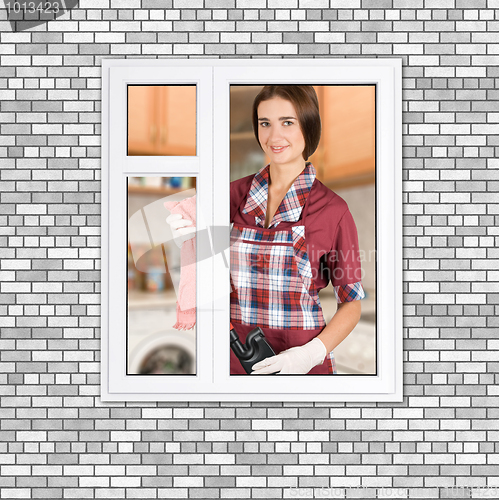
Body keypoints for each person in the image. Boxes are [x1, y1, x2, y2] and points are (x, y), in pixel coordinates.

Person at [229, 85, 365, 375]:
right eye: (265, 123)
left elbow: (351, 303)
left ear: (308, 125)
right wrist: (188, 237)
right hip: (235, 360)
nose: (273, 136)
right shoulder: (232, 195)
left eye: (287, 123)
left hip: (301, 364)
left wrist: (309, 354)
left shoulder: (332, 210)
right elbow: (202, 271)